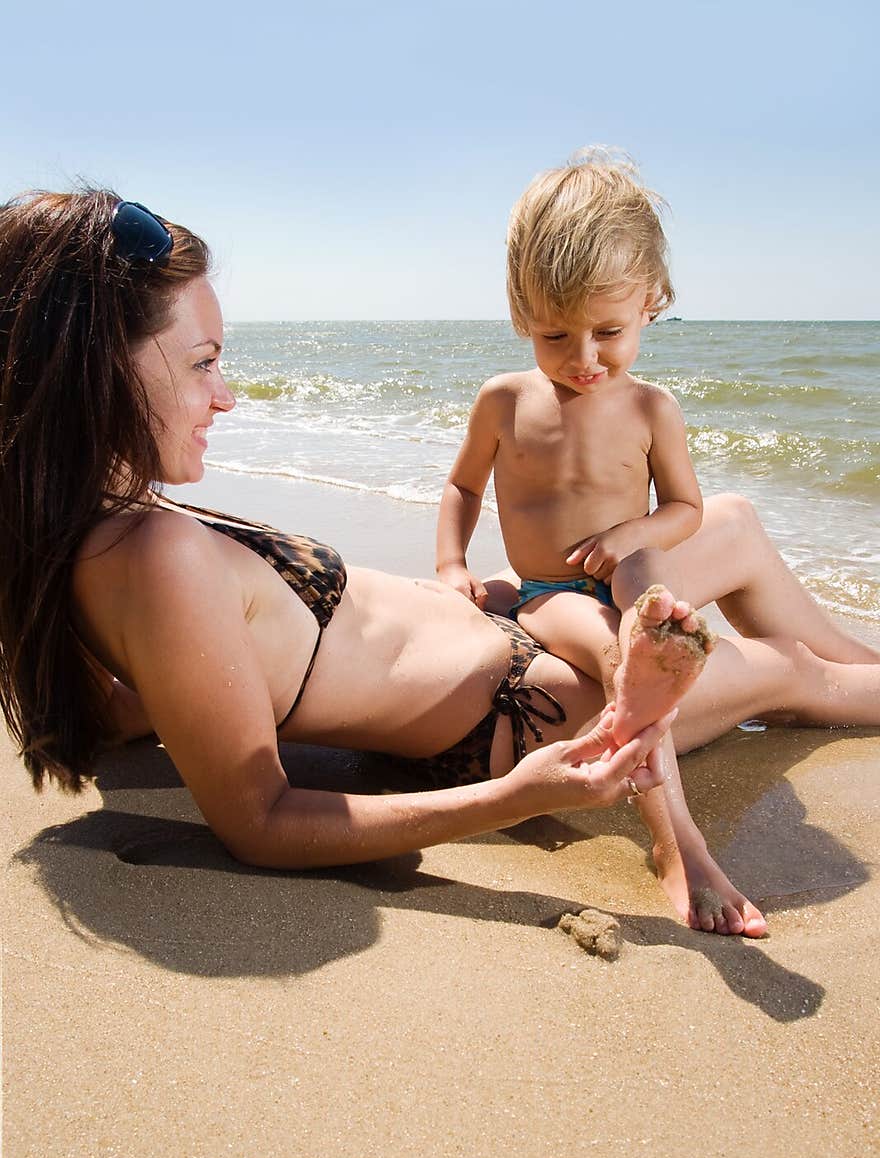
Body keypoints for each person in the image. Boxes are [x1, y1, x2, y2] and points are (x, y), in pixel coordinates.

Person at [1, 191, 877, 940]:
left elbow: (149, 701)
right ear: (91, 372)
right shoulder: (148, 556)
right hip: (533, 707)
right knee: (792, 672)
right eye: (202, 363)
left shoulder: (104, 533)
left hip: (511, 623)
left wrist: (459, 591)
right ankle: (683, 837)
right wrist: (520, 797)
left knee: (729, 520)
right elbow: (261, 823)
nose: (227, 394)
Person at [434, 148, 872, 934]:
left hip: (634, 566)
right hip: (550, 594)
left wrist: (635, 530)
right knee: (620, 661)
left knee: (646, 613)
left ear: (651, 303)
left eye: (608, 331)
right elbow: (464, 486)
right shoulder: (503, 402)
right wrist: (452, 565)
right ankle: (680, 849)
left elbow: (685, 509)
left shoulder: (651, 409)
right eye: (554, 335)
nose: (584, 359)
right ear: (519, 314)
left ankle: (683, 643)